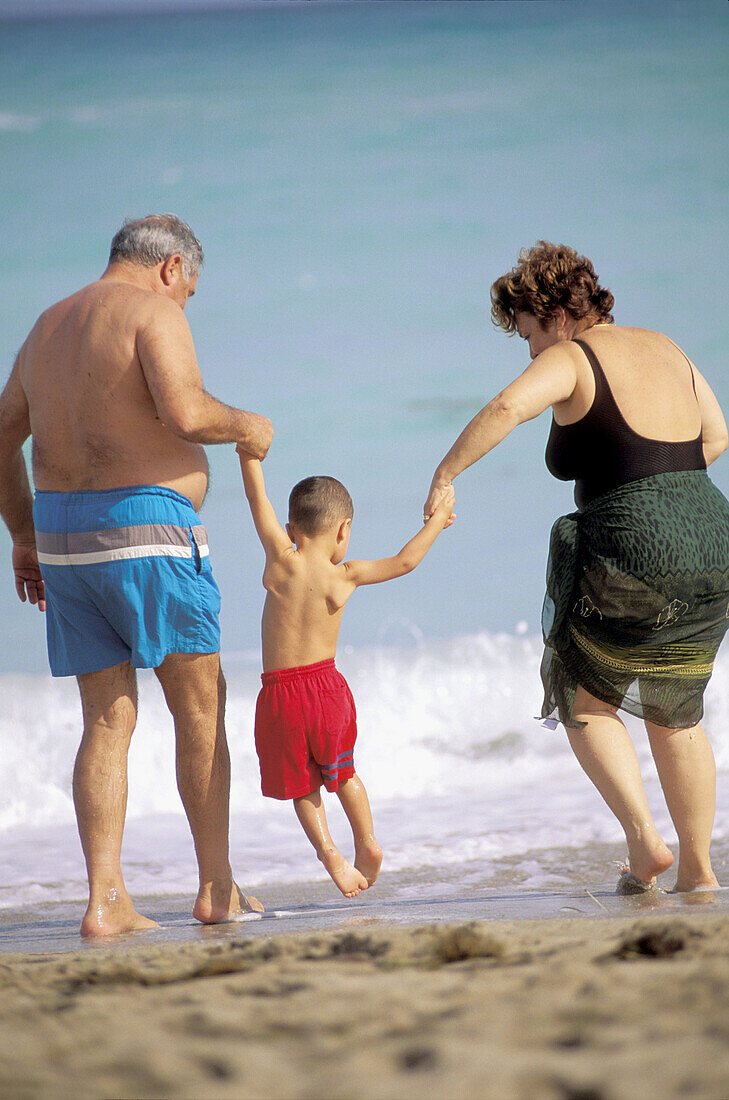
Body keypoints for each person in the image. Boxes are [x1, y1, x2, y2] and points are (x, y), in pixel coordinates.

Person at [425, 240, 729, 894]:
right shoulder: (668, 349)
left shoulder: (572, 357)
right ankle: (699, 873)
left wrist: (445, 473)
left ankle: (645, 842)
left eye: (528, 332)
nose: (530, 350)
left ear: (553, 312)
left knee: (582, 696)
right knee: (675, 707)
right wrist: (671, 499)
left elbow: (508, 408)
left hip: (635, 539)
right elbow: (717, 434)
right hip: (710, 532)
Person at [0, 214, 274, 936]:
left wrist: (23, 535)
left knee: (106, 719)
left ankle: (105, 900)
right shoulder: (153, 310)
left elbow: (3, 430)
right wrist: (247, 425)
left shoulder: (48, 323)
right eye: (190, 291)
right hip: (146, 533)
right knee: (199, 707)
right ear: (172, 268)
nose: (184, 304)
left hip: (62, 536)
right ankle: (216, 888)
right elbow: (185, 412)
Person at [238, 448, 455, 897]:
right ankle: (367, 841)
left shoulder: (282, 560)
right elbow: (404, 562)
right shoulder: (345, 575)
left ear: (292, 529)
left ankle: (331, 855)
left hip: (280, 695)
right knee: (344, 775)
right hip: (326, 690)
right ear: (343, 531)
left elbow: (258, 503)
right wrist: (436, 522)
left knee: (303, 787)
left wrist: (249, 457)